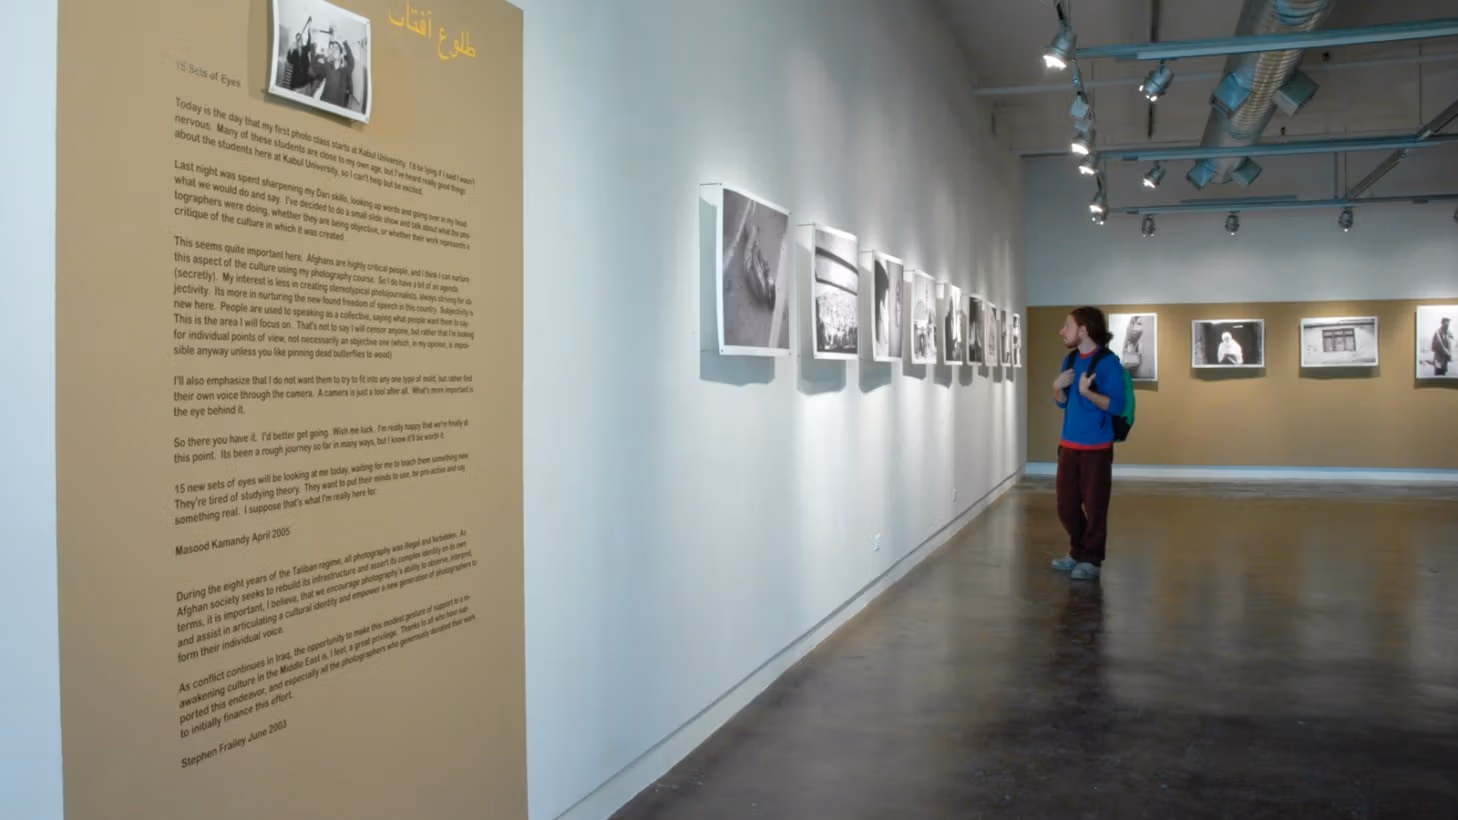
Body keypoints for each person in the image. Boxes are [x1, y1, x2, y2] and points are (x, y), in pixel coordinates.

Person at [1050, 307, 1127, 581]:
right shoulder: (1070, 359)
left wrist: (1087, 392)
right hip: (1069, 446)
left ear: (1083, 330)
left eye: (1067, 326)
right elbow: (1062, 402)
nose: (1062, 331)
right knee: (1066, 506)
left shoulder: (1108, 363)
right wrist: (1056, 387)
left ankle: (1091, 559)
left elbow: (1116, 406)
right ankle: (1078, 551)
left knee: (1095, 508)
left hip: (1096, 449)